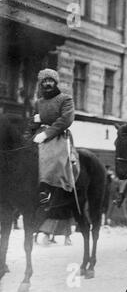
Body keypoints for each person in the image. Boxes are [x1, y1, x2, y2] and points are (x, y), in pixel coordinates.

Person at [32, 68, 79, 205]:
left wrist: (46, 133)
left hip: (58, 136)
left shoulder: (65, 99)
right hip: (38, 133)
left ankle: (47, 190)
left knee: (51, 156)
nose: (47, 83)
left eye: (50, 80)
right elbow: (32, 121)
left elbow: (66, 119)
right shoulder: (38, 102)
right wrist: (28, 134)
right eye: (44, 81)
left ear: (55, 82)